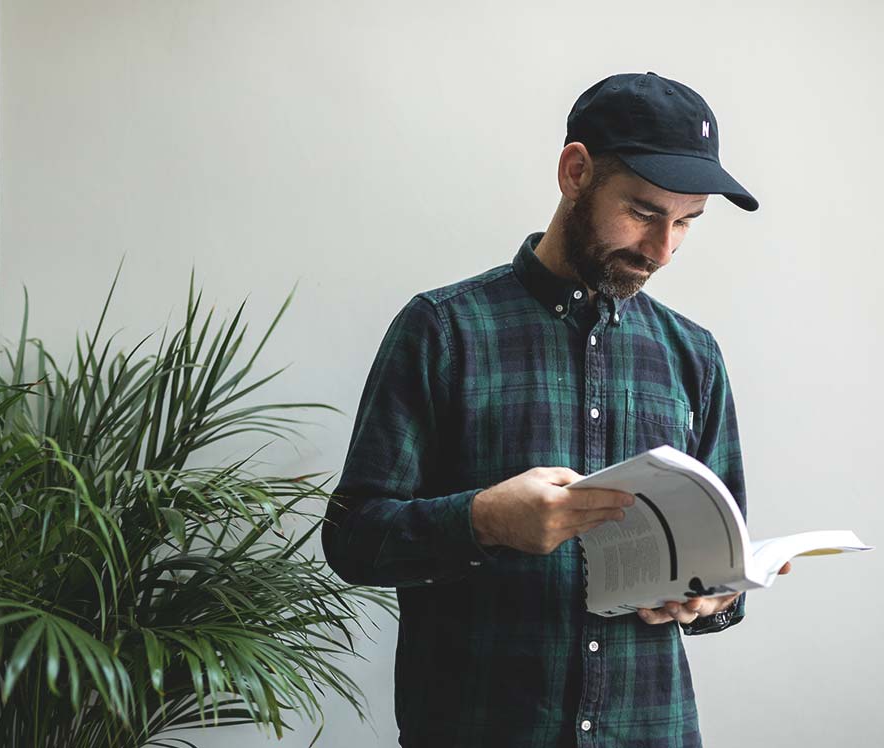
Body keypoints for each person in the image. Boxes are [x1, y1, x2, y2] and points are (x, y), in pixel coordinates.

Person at [320, 71, 790, 748]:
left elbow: (723, 560)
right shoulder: (443, 330)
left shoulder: (695, 354)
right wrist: (482, 520)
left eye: (688, 221)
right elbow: (352, 537)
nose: (663, 250)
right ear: (576, 172)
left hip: (652, 732)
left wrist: (714, 595)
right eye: (645, 212)